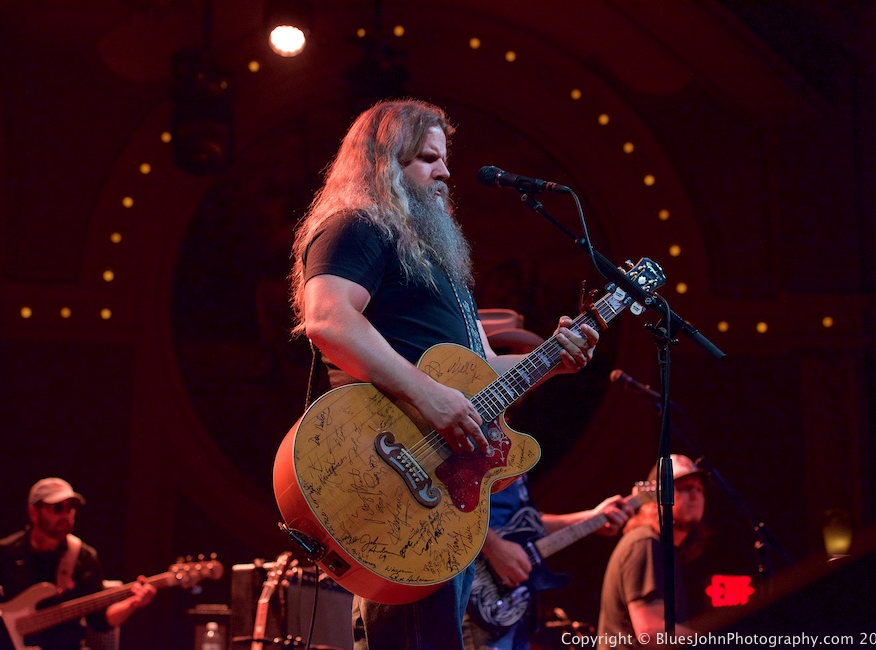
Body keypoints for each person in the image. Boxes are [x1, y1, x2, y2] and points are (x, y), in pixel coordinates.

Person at [289, 98, 601, 650]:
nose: (446, 173)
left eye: (446, 159)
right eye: (429, 158)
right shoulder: (357, 226)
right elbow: (327, 318)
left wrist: (556, 358)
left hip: (442, 486)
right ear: (384, 162)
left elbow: (485, 377)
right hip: (388, 464)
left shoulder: (440, 263)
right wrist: (430, 397)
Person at [0, 477, 157, 650]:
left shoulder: (84, 558)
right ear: (34, 513)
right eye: (58, 508)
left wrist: (133, 603)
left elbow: (100, 621)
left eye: (71, 509)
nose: (66, 515)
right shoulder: (2, 552)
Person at [463, 473, 633, 650]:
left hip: (512, 606)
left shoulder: (514, 460)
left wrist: (591, 519)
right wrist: (492, 546)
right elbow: (447, 504)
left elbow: (530, 524)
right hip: (471, 595)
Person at [596, 455, 711, 649]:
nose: (694, 495)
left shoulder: (661, 549)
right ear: (655, 499)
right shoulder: (645, 543)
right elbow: (651, 632)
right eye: (684, 487)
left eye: (699, 489)